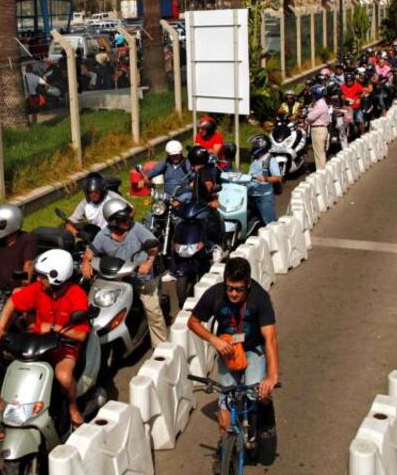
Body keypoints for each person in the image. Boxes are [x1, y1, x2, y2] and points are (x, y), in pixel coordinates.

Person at [187, 257, 279, 462]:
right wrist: (214, 340)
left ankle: (264, 420)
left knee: (256, 393)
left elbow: (270, 338)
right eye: (229, 288)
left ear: (247, 284)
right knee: (226, 397)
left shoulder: (260, 298)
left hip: (253, 350)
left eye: (239, 289)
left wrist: (272, 376)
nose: (233, 294)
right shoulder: (215, 295)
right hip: (227, 352)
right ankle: (226, 444)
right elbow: (193, 322)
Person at [0, 249, 91, 427]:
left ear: (57, 277)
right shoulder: (38, 289)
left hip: (65, 345)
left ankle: (73, 407)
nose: (38, 279)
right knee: (16, 371)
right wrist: (0, 327)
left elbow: (81, 334)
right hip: (39, 342)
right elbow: (13, 302)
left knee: (63, 376)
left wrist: (54, 328)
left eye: (43, 276)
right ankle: (8, 414)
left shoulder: (77, 295)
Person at [81, 199, 168, 347]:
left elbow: (153, 245)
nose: (128, 221)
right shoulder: (103, 235)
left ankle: (161, 345)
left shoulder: (136, 228)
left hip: (141, 278)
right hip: (117, 279)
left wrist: (148, 262)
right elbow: (90, 252)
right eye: (123, 220)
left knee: (153, 311)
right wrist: (85, 263)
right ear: (113, 221)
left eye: (128, 217)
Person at [66, 172, 126, 237]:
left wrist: (122, 225)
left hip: (115, 234)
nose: (93, 194)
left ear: (101, 190)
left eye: (96, 192)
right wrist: (76, 233)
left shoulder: (111, 196)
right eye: (90, 192)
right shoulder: (85, 203)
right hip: (96, 237)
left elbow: (131, 210)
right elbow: (69, 223)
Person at [246, 135, 282, 226]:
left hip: (263, 197)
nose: (252, 148)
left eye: (254, 146)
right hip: (250, 194)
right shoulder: (255, 159)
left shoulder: (270, 160)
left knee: (270, 224)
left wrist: (265, 178)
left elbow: (278, 177)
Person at [305, 84, 330, 171]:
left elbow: (310, 117)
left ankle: (321, 173)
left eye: (313, 94)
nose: (312, 96)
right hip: (319, 129)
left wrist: (309, 112)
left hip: (318, 130)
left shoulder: (320, 105)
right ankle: (321, 171)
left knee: (319, 154)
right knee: (319, 153)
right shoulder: (320, 104)